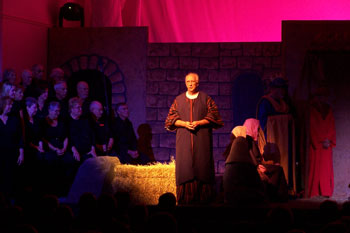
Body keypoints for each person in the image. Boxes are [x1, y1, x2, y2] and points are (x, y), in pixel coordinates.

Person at [165, 72, 223, 204]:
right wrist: (184, 123)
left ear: (198, 83)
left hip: (202, 140)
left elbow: (215, 117)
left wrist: (199, 122)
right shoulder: (178, 100)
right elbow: (170, 120)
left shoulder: (206, 99)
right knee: (185, 167)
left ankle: (205, 200)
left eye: (193, 81)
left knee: (202, 166)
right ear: (185, 83)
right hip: (184, 141)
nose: (190, 84)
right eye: (188, 82)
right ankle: (185, 200)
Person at [256, 77, 296, 192]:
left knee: (287, 159)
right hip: (274, 137)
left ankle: (288, 186)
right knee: (276, 160)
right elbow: (263, 122)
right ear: (274, 89)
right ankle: (278, 189)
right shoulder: (266, 102)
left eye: (283, 89)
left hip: (285, 138)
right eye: (280, 89)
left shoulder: (284, 103)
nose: (282, 92)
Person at [308, 87, 336, 198]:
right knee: (315, 169)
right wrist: (319, 140)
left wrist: (328, 140)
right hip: (316, 145)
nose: (321, 99)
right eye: (319, 96)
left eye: (323, 96)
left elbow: (331, 125)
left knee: (326, 170)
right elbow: (312, 126)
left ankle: (326, 192)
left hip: (326, 145)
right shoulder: (312, 109)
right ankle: (315, 192)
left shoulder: (328, 109)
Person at [0, 96, 24, 198]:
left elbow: (20, 137)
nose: (10, 107)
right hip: (1, 154)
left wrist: (21, 153)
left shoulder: (14, 120)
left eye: (11, 105)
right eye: (8, 105)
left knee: (11, 177)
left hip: (12, 153)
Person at [68, 97, 96, 163]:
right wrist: (74, 151)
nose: (81, 109)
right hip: (75, 151)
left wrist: (93, 149)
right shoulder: (67, 122)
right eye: (78, 107)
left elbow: (92, 135)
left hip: (89, 150)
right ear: (72, 109)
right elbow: (68, 138)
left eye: (81, 107)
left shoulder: (85, 121)